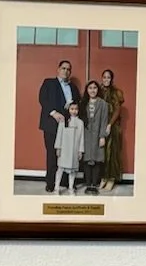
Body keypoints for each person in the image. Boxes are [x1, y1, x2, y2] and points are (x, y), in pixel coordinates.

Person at [36, 58, 79, 192]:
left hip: (68, 125)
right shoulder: (48, 83)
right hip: (51, 124)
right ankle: (50, 183)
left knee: (66, 153)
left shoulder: (73, 87)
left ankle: (65, 181)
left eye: (68, 69)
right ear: (58, 69)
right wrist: (54, 113)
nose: (66, 71)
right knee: (52, 153)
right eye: (63, 68)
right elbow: (43, 99)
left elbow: (77, 104)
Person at [80, 78, 109, 194]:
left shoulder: (103, 104)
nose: (93, 90)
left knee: (97, 159)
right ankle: (88, 184)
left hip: (97, 134)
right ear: (87, 90)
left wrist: (102, 136)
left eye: (95, 88)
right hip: (86, 135)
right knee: (87, 159)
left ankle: (94, 184)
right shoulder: (83, 103)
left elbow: (104, 121)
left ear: (98, 90)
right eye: (90, 88)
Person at [99, 67, 125, 191]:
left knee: (112, 152)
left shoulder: (116, 92)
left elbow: (117, 110)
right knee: (102, 152)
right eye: (104, 77)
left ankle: (111, 178)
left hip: (112, 125)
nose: (106, 79)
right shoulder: (98, 90)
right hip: (101, 124)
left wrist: (109, 124)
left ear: (112, 79)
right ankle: (103, 177)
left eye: (108, 77)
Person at [55, 97, 85, 193]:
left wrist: (80, 150)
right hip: (64, 148)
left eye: (76, 109)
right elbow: (59, 134)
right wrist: (58, 147)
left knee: (73, 170)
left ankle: (71, 187)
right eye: (72, 109)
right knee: (60, 169)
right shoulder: (63, 121)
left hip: (74, 150)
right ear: (68, 109)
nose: (74, 111)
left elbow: (82, 138)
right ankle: (57, 187)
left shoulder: (80, 123)